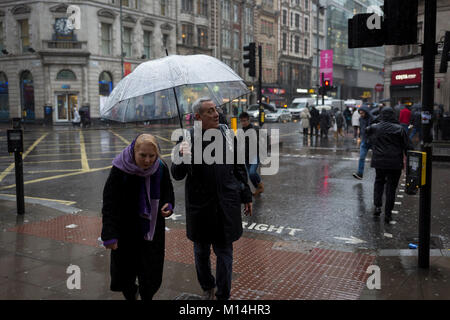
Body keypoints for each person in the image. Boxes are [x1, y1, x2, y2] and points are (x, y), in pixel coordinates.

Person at [171, 97, 252, 300]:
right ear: (198, 117)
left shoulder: (226, 134)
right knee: (201, 251)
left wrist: (246, 194)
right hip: (200, 207)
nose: (216, 114)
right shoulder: (187, 139)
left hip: (226, 203)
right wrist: (182, 155)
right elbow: (177, 174)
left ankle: (223, 295)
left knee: (225, 252)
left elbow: (238, 166)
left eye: (215, 110)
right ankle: (207, 285)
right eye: (209, 111)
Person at [101, 134, 175, 300]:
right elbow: (110, 203)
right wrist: (109, 234)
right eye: (143, 155)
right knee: (125, 274)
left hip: (152, 231)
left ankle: (146, 295)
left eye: (152, 156)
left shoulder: (161, 167)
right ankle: (131, 294)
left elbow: (168, 191)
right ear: (134, 151)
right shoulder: (120, 169)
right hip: (125, 231)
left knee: (150, 274)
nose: (147, 161)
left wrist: (168, 205)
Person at [366, 107, 413, 223]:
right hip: (395, 162)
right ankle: (388, 214)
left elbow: (368, 139)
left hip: (379, 161)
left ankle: (377, 206)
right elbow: (408, 147)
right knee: (391, 188)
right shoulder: (400, 129)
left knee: (379, 183)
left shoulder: (375, 128)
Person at [239, 111, 264, 196]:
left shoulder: (255, 129)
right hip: (246, 156)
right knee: (250, 175)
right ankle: (258, 188)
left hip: (255, 154)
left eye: (245, 120)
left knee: (252, 172)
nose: (243, 123)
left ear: (249, 120)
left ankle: (260, 185)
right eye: (242, 121)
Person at [352, 105, 373, 180]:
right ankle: (360, 173)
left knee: (377, 158)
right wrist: (360, 135)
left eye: (362, 113)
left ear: (366, 112)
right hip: (364, 140)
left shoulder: (372, 118)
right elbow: (361, 128)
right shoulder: (361, 119)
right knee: (361, 157)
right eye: (360, 113)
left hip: (372, 141)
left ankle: (382, 174)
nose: (361, 115)